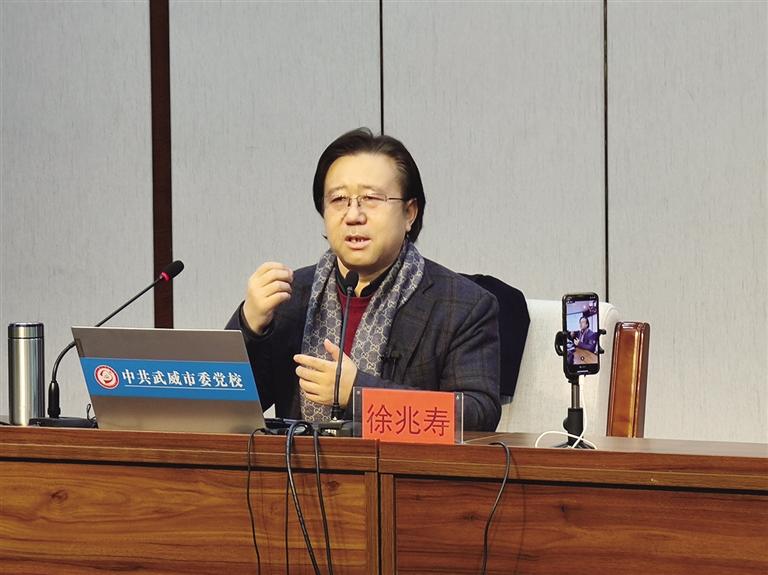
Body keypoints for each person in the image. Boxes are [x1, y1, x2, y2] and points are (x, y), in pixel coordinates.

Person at [226, 128, 502, 431]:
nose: (353, 215)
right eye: (338, 199)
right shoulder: (291, 296)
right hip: (295, 462)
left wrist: (358, 393)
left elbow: (477, 415)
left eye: (371, 198)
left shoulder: (462, 306)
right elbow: (225, 409)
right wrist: (250, 325)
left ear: (409, 213)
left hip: (402, 463)